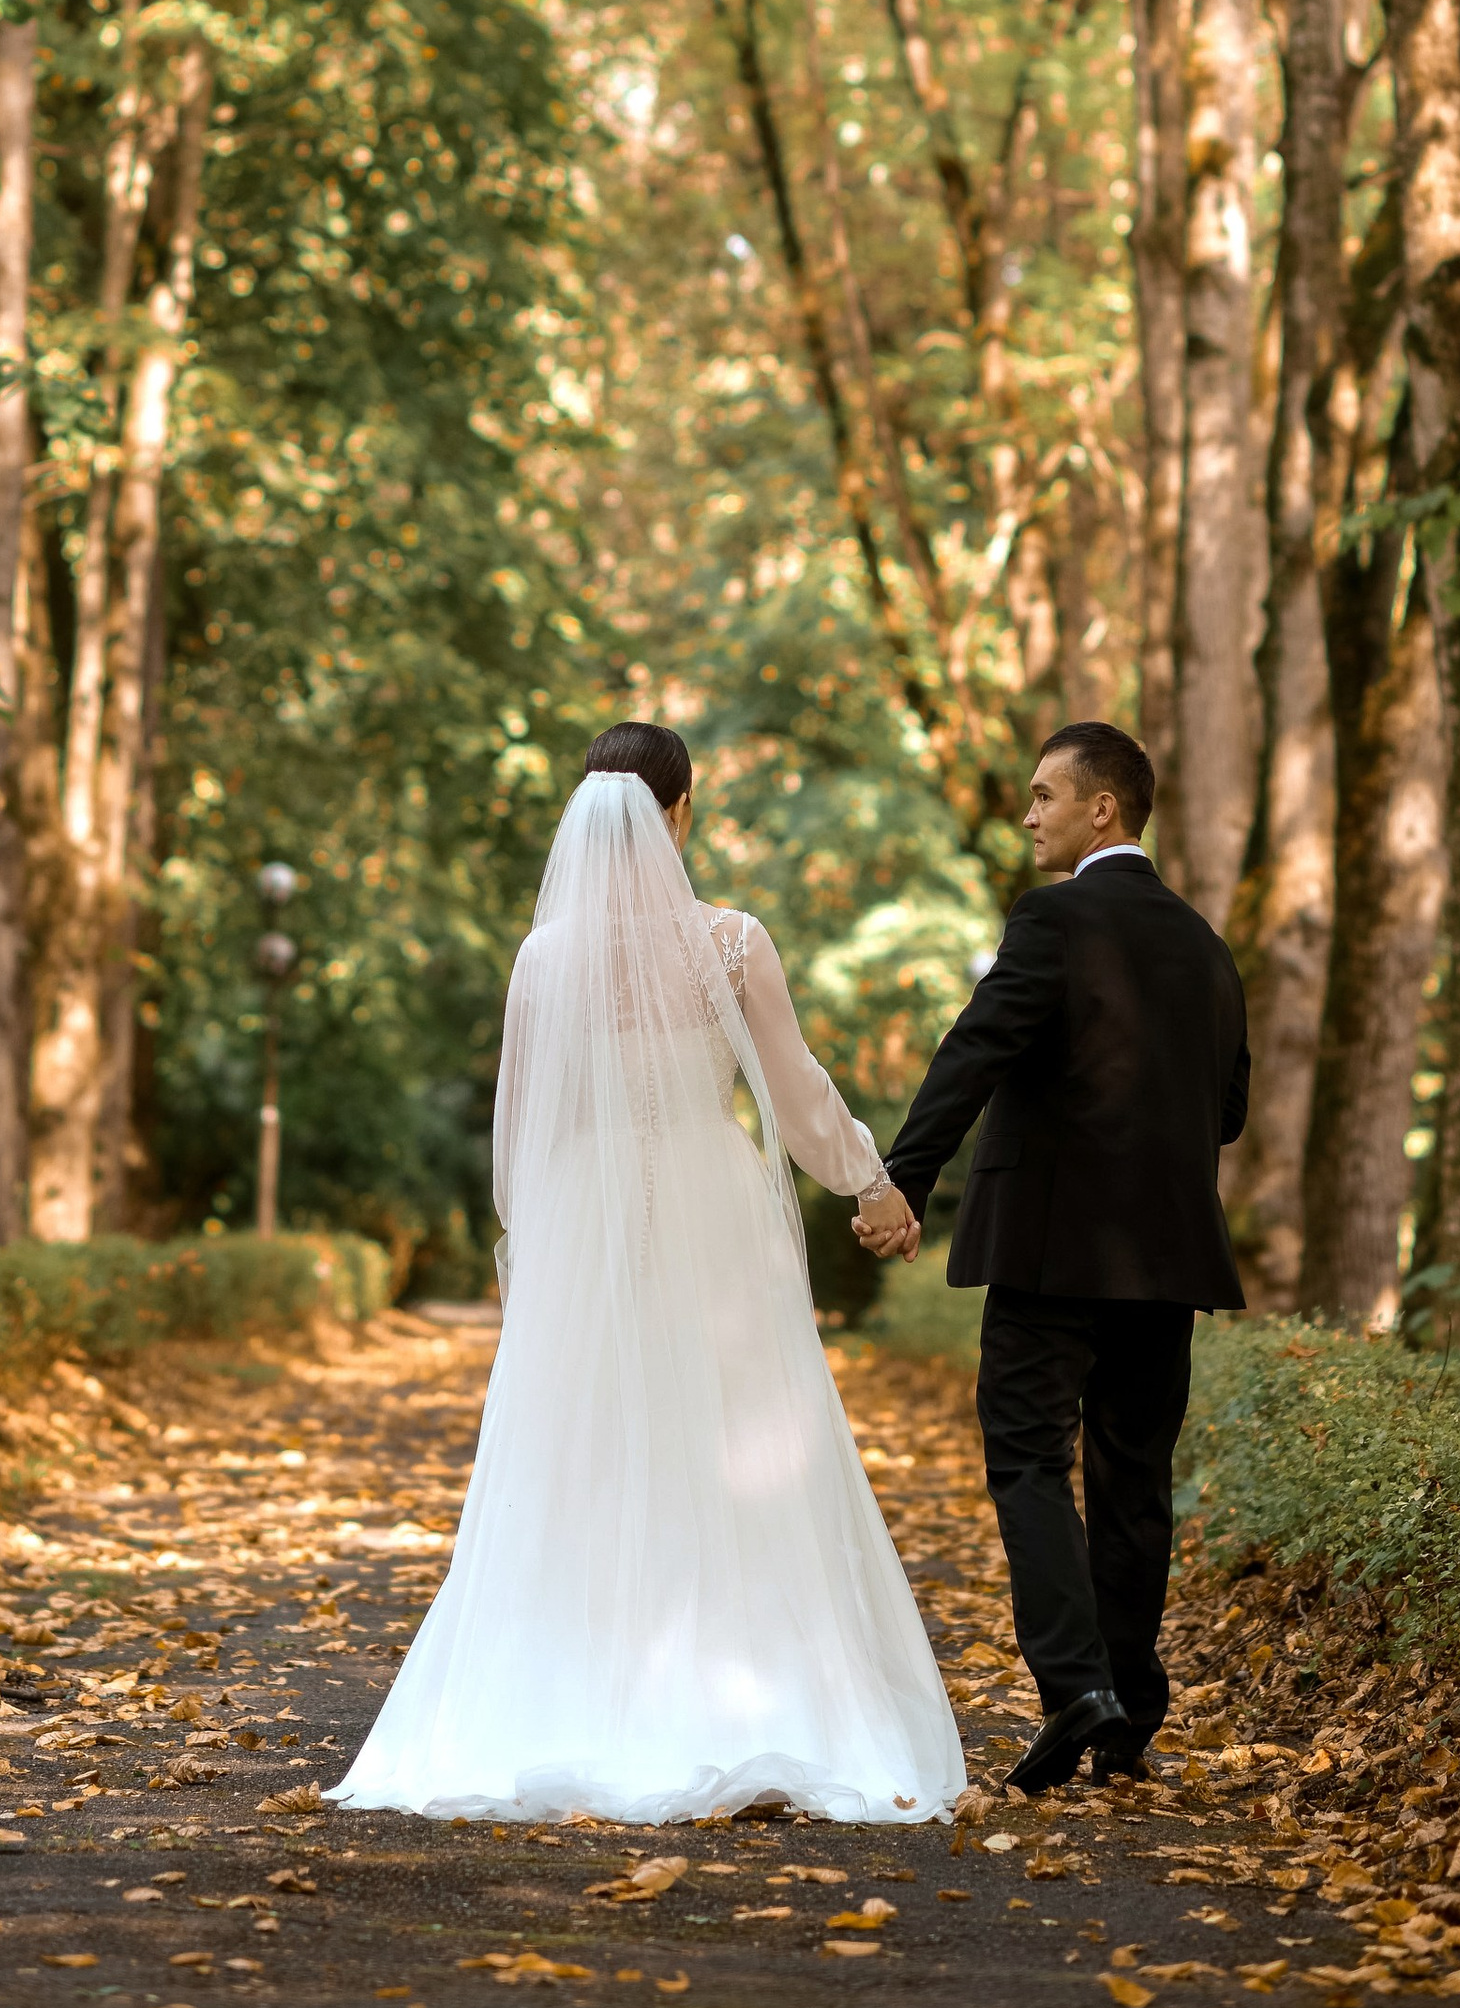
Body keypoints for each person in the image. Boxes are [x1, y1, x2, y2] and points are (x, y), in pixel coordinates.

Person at [330, 721, 966, 1825]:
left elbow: (522, 1127)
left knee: (586, 1445)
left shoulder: (547, 957)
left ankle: (568, 1688)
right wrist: (870, 1182)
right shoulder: (729, 940)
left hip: (584, 1208)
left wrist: (537, 1243)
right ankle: (752, 1688)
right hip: (709, 1206)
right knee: (727, 1433)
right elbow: (794, 1089)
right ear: (679, 813)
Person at [860, 720, 1248, 1794]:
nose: (1027, 814)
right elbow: (1226, 1113)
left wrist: (904, 1175)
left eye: (1043, 796)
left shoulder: (1054, 917)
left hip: (1044, 1249)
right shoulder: (1206, 947)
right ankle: (1128, 1714)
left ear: (1101, 810)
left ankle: (1075, 1685)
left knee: (1027, 1458)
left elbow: (976, 1046)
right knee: (1133, 1480)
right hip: (1165, 1259)